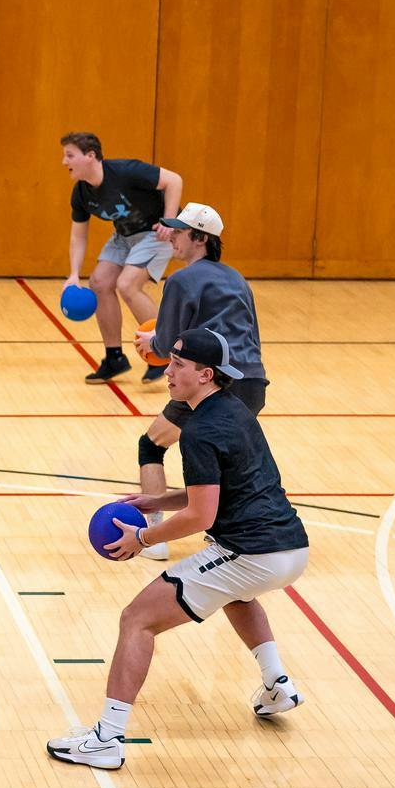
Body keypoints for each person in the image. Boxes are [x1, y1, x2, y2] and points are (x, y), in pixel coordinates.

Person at [48, 328, 305, 771]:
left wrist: (142, 539)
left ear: (205, 374)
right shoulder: (235, 410)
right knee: (236, 594)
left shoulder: (200, 430)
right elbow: (215, 492)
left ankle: (107, 738)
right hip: (290, 549)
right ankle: (276, 682)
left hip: (252, 551)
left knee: (137, 619)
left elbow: (201, 517)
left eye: (179, 365)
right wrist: (158, 501)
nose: (168, 371)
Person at [130, 202, 267, 562]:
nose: (172, 237)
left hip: (213, 381)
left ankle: (153, 536)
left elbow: (170, 339)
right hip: (253, 381)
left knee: (152, 445)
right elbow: (251, 332)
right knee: (229, 461)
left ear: (201, 238)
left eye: (179, 231)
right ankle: (234, 534)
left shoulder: (181, 280)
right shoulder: (237, 278)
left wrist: (152, 344)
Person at [60, 132, 184, 384]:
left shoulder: (126, 171)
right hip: (125, 235)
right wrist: (74, 274)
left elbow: (174, 180)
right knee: (99, 283)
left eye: (69, 155)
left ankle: (165, 353)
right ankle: (114, 357)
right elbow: (78, 236)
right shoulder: (82, 193)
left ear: (90, 156)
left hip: (156, 233)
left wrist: (169, 222)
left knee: (127, 284)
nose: (64, 162)